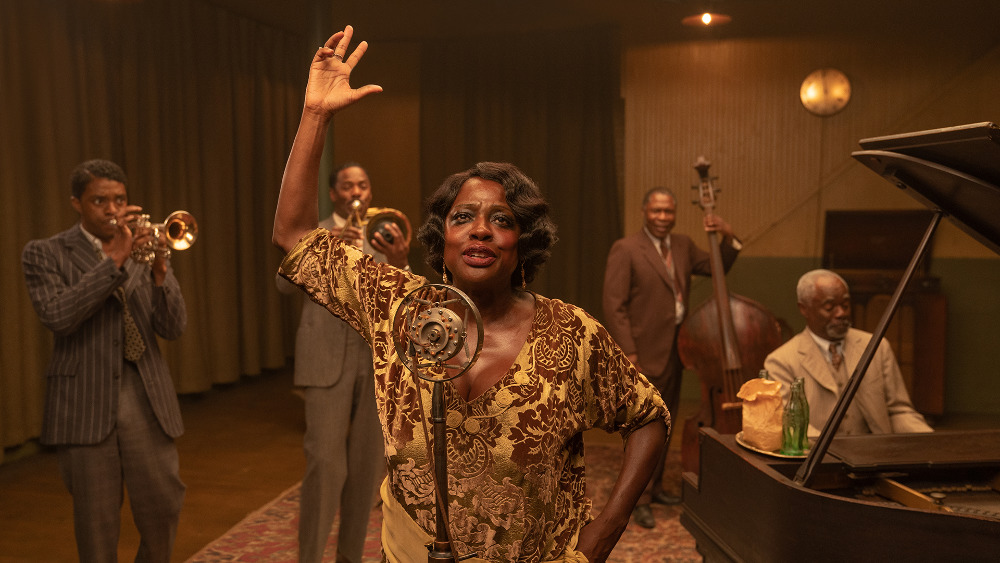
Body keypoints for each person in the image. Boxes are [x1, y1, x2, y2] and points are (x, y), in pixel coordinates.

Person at [272, 26, 669, 562]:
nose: (480, 230)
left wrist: (608, 526)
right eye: (463, 218)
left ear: (523, 242)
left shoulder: (571, 334)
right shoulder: (399, 308)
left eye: (500, 220)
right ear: (443, 239)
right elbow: (294, 234)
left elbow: (648, 416)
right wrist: (316, 116)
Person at [21, 159, 188, 562]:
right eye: (100, 201)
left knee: (163, 509)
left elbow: (173, 327)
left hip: (145, 399)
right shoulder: (44, 253)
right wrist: (112, 260)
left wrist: (161, 272)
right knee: (97, 528)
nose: (113, 210)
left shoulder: (144, 247)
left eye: (120, 199)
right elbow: (59, 316)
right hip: (83, 402)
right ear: (77, 203)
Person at [275, 161, 409, 563]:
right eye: (349, 186)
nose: (357, 192)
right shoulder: (317, 233)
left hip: (374, 361)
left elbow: (404, 295)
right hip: (325, 358)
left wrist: (401, 261)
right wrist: (327, 245)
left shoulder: (386, 232)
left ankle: (350, 557)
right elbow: (282, 284)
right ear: (334, 194)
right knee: (325, 464)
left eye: (363, 185)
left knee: (368, 468)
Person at [602, 186, 741, 529]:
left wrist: (727, 235)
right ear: (644, 211)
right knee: (644, 428)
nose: (663, 218)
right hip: (643, 355)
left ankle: (658, 487)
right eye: (656, 211)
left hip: (677, 352)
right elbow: (613, 305)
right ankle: (639, 499)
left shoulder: (683, 246)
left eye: (668, 212)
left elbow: (717, 268)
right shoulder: (626, 249)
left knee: (666, 424)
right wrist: (629, 353)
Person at [764, 269, 933, 438]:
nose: (841, 314)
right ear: (804, 309)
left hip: (874, 454)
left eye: (845, 305)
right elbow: (790, 424)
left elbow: (899, 412)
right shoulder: (780, 361)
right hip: (818, 458)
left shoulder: (877, 347)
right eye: (829, 307)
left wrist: (929, 440)